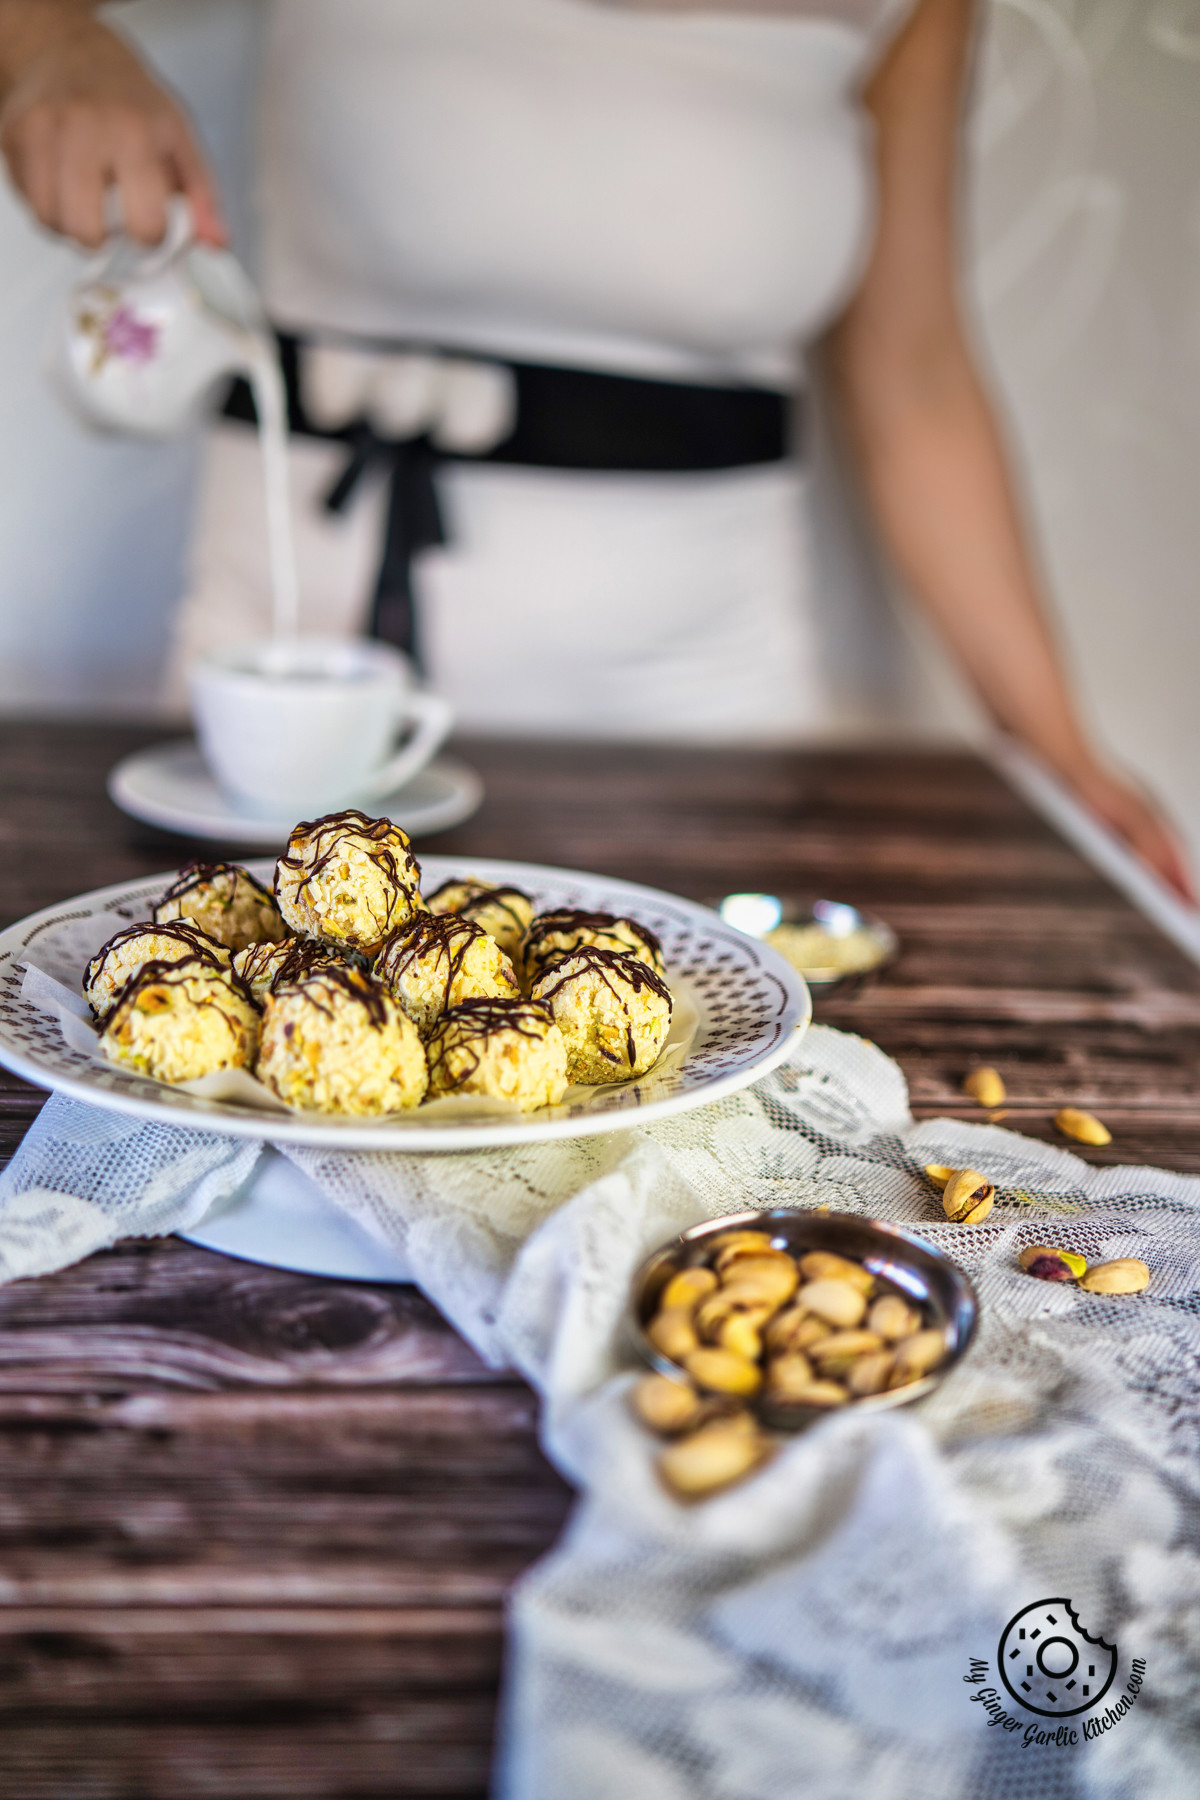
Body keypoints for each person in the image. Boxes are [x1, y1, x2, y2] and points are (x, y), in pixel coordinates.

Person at [0, 0, 1192, 897]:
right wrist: (49, 37)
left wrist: (1059, 749)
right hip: (305, 686)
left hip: (706, 714)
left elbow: (915, 370)